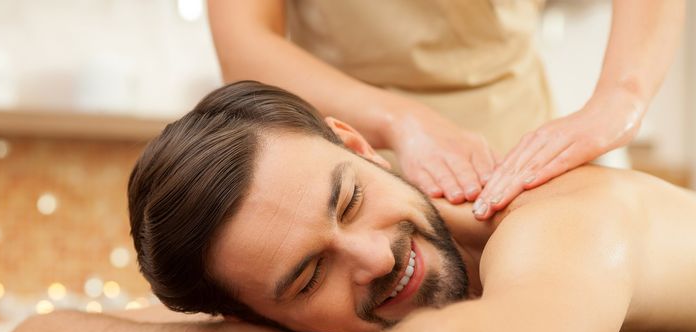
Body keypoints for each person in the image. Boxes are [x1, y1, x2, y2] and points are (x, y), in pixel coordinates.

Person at [0, 82, 696, 332]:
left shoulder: (560, 220)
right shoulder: (258, 313)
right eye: (310, 276)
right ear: (254, 311)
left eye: (349, 200)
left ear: (357, 146)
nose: (375, 258)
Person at [207, 0, 685, 220]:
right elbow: (244, 45)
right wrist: (400, 121)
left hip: (517, 140)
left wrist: (622, 96)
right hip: (349, 144)